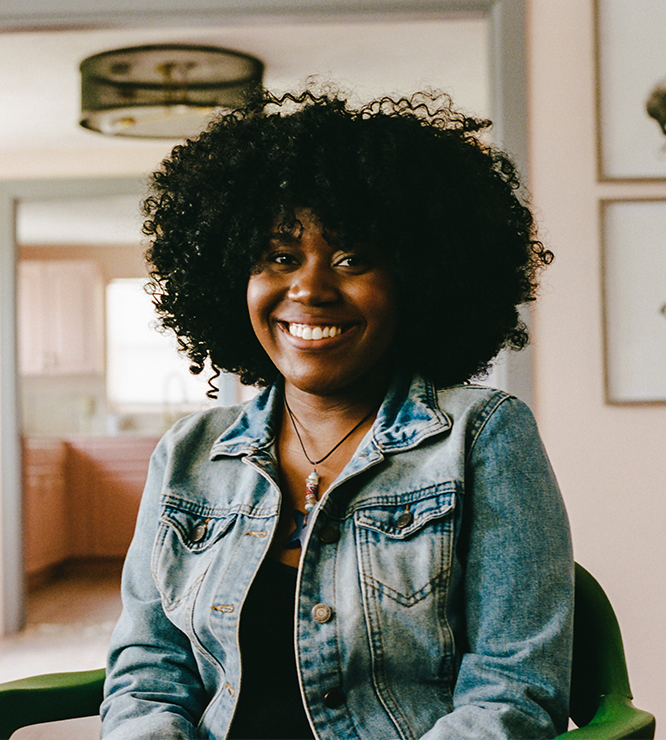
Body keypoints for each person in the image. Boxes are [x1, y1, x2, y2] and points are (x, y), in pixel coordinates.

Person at [101, 87, 573, 740]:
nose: (311, 288)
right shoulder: (187, 454)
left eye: (353, 258)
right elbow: (149, 670)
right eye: (279, 257)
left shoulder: (483, 437)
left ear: (416, 279)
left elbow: (514, 691)